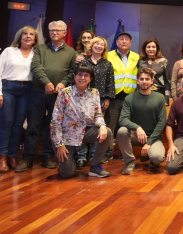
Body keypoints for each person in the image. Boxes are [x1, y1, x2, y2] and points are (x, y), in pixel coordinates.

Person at [16, 20, 77, 173]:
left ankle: (49, 156)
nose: (54, 33)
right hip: (38, 91)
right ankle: (28, 157)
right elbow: (35, 66)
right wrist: (46, 82)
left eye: (57, 30)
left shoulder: (71, 52)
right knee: (33, 125)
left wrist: (63, 83)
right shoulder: (40, 49)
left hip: (59, 94)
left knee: (54, 126)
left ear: (64, 33)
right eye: (51, 30)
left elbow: (72, 71)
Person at [50, 64, 112, 179]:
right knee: (67, 174)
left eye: (86, 75)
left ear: (90, 78)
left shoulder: (94, 93)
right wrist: (59, 144)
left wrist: (102, 126)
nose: (82, 78)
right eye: (79, 74)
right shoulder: (64, 93)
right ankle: (67, 161)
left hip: (85, 131)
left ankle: (95, 166)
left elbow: (98, 114)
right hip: (65, 136)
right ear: (74, 76)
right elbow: (55, 121)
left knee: (107, 132)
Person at [0, 26, 38, 172]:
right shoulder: (9, 51)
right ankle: (1, 158)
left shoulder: (36, 54)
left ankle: (12, 156)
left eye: (31, 34)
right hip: (8, 88)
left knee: (18, 125)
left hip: (27, 90)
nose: (28, 36)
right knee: (6, 124)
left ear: (35, 39)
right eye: (25, 34)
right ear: (20, 36)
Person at [75, 36, 115, 169]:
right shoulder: (83, 62)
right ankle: (81, 156)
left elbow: (110, 82)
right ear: (91, 45)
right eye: (96, 44)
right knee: (82, 127)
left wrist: (108, 98)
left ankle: (94, 157)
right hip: (82, 98)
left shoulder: (107, 64)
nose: (99, 46)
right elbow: (75, 78)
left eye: (102, 45)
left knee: (98, 128)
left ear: (104, 48)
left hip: (101, 100)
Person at [117, 68, 167, 175]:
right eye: (142, 79)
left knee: (158, 158)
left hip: (153, 137)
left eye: (147, 79)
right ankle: (129, 162)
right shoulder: (129, 98)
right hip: (136, 135)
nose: (144, 81)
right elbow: (122, 119)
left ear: (152, 81)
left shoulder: (160, 98)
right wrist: (137, 128)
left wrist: (149, 143)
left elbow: (162, 122)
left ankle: (153, 159)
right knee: (122, 131)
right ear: (137, 81)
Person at [104, 32, 140, 163]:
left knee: (127, 128)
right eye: (121, 39)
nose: (124, 42)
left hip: (130, 98)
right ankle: (107, 152)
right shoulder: (108, 55)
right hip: (113, 97)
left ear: (130, 43)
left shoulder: (136, 57)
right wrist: (107, 96)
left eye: (126, 40)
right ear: (117, 42)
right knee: (110, 126)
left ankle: (126, 154)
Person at [138, 38, 171, 105]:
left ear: (157, 49)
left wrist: (166, 98)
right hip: (142, 94)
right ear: (145, 48)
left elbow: (167, 81)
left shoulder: (164, 61)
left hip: (158, 94)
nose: (151, 49)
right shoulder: (140, 61)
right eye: (148, 47)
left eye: (153, 47)